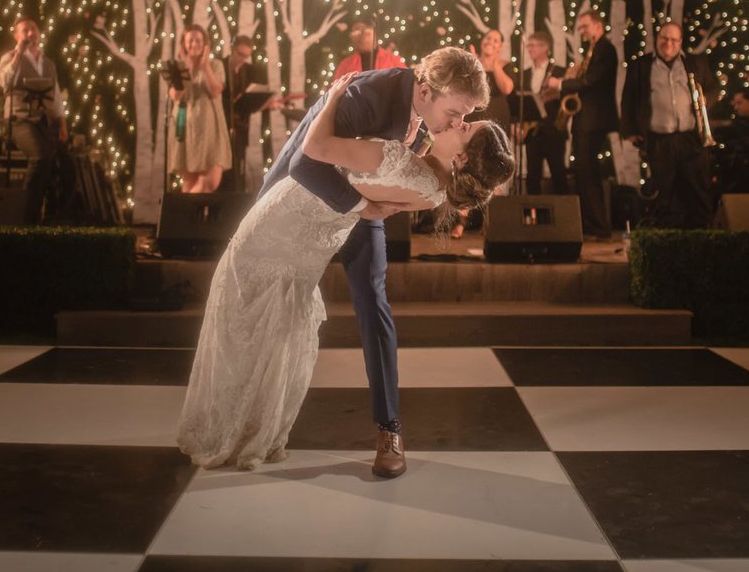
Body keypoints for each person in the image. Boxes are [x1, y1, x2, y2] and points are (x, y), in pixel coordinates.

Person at [178, 68, 513, 474]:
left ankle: (388, 428)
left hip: (334, 212)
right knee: (269, 316)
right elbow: (304, 161)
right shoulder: (381, 99)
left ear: (461, 158)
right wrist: (361, 197)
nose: (458, 120)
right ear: (426, 91)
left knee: (368, 300)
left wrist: (333, 98)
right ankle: (246, 424)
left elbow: (323, 149)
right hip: (318, 203)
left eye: (466, 120)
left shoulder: (416, 159)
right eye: (459, 113)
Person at [620, 22, 717, 228]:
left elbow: (713, 88)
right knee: (665, 196)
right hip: (659, 140)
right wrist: (629, 131)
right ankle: (670, 242)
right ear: (657, 38)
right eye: (664, 38)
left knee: (699, 191)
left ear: (680, 42)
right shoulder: (641, 65)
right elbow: (628, 99)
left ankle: (703, 239)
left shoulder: (695, 62)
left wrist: (706, 98)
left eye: (674, 39)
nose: (668, 43)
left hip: (691, 138)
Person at [553, 11, 619, 238]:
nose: (581, 31)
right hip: (586, 119)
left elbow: (591, 80)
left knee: (588, 174)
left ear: (599, 25)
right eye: (579, 28)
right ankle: (592, 225)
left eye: (585, 26)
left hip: (594, 119)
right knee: (583, 173)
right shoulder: (594, 50)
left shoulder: (606, 49)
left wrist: (562, 83)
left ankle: (599, 227)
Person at [0, 17, 68, 223]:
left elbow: (55, 98)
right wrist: (18, 53)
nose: (31, 34)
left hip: (43, 121)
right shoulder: (9, 57)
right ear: (16, 36)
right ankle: (25, 214)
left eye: (34, 29)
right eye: (25, 30)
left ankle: (49, 217)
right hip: (18, 121)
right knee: (40, 157)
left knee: (65, 167)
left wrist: (62, 124)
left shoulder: (48, 63)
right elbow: (4, 82)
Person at [167, 24, 232, 193]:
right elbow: (176, 95)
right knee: (188, 183)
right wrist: (186, 69)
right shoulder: (177, 67)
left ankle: (186, 218)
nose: (194, 44)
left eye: (198, 40)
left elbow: (216, 91)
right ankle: (190, 219)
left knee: (209, 183)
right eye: (190, 40)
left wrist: (205, 67)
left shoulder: (216, 64)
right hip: (186, 128)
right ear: (183, 44)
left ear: (205, 44)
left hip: (210, 128)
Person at [519, 31, 568, 194]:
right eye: (528, 46)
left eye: (533, 45)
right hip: (532, 132)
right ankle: (534, 218)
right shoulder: (524, 74)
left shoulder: (559, 72)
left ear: (545, 47)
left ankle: (564, 217)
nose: (529, 49)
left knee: (558, 174)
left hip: (554, 129)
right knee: (532, 176)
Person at [220, 35, 270, 192]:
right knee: (222, 168)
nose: (243, 59)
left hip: (241, 126)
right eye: (240, 55)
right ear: (232, 50)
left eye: (247, 56)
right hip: (221, 125)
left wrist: (263, 103)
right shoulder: (220, 66)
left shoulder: (249, 70)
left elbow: (251, 100)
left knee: (238, 166)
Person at [332, 13, 405, 81]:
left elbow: (406, 86)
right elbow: (335, 92)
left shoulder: (394, 61)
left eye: (361, 30)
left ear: (373, 32)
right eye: (354, 32)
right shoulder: (345, 65)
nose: (357, 35)